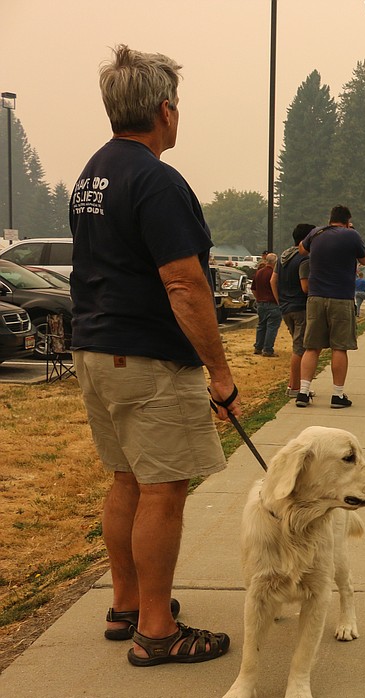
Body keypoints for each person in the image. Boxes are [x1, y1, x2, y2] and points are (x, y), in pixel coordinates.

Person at [69, 44, 235, 666]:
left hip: (95, 350)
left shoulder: (93, 174)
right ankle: (158, 631)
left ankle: (127, 603)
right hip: (146, 358)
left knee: (126, 480)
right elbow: (184, 284)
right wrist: (220, 371)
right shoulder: (157, 180)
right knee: (164, 488)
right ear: (165, 110)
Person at [296, 205, 365, 409]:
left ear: (330, 219)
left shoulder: (316, 232)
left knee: (312, 347)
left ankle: (303, 392)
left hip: (316, 296)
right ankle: (337, 395)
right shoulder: (351, 235)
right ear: (347, 221)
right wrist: (352, 232)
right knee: (339, 346)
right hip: (341, 297)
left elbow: (302, 249)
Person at [275, 223, 314, 398]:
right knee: (301, 349)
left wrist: (281, 302)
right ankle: (295, 388)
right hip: (301, 308)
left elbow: (272, 281)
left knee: (297, 348)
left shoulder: (283, 257)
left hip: (286, 308)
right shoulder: (304, 259)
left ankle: (293, 384)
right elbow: (305, 287)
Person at [251, 252, 280, 356]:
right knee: (272, 326)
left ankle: (258, 347)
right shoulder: (274, 274)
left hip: (260, 303)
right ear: (275, 262)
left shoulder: (258, 272)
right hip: (272, 303)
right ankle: (268, 349)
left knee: (261, 325)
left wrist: (258, 298)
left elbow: (253, 288)